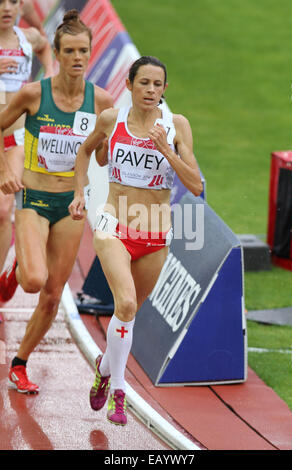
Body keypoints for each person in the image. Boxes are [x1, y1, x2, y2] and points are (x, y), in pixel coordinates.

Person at [69, 55, 203, 426]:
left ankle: (104, 365)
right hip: (113, 224)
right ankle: (120, 391)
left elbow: (195, 185)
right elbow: (84, 153)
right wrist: (80, 193)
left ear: (164, 90)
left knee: (127, 313)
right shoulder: (112, 119)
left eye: (157, 84)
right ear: (129, 85)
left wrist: (166, 150)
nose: (150, 90)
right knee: (125, 302)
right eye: (143, 83)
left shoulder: (176, 127)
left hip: (155, 234)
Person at [0, 9, 113, 393]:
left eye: (84, 51)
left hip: (70, 204)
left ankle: (20, 363)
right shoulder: (34, 94)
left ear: (90, 52)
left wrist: (103, 146)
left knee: (51, 295)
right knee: (34, 280)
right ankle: (14, 273)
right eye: (70, 51)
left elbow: (101, 158)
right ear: (59, 53)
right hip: (32, 197)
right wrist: (5, 168)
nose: (78, 58)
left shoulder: (102, 102)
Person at [0, 0, 53, 284]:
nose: (7, 8)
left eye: (13, 2)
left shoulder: (26, 37)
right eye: (1, 2)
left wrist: (50, 71)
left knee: (2, 210)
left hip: (17, 139)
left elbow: (44, 44)